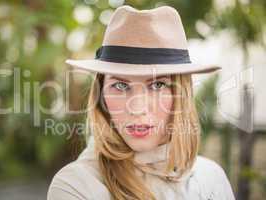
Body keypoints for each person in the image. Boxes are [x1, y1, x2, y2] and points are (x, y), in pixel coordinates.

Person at [47, 5, 235, 200]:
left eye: (158, 85)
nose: (137, 109)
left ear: (183, 94)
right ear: (100, 95)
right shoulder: (76, 185)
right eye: (120, 86)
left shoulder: (211, 180)